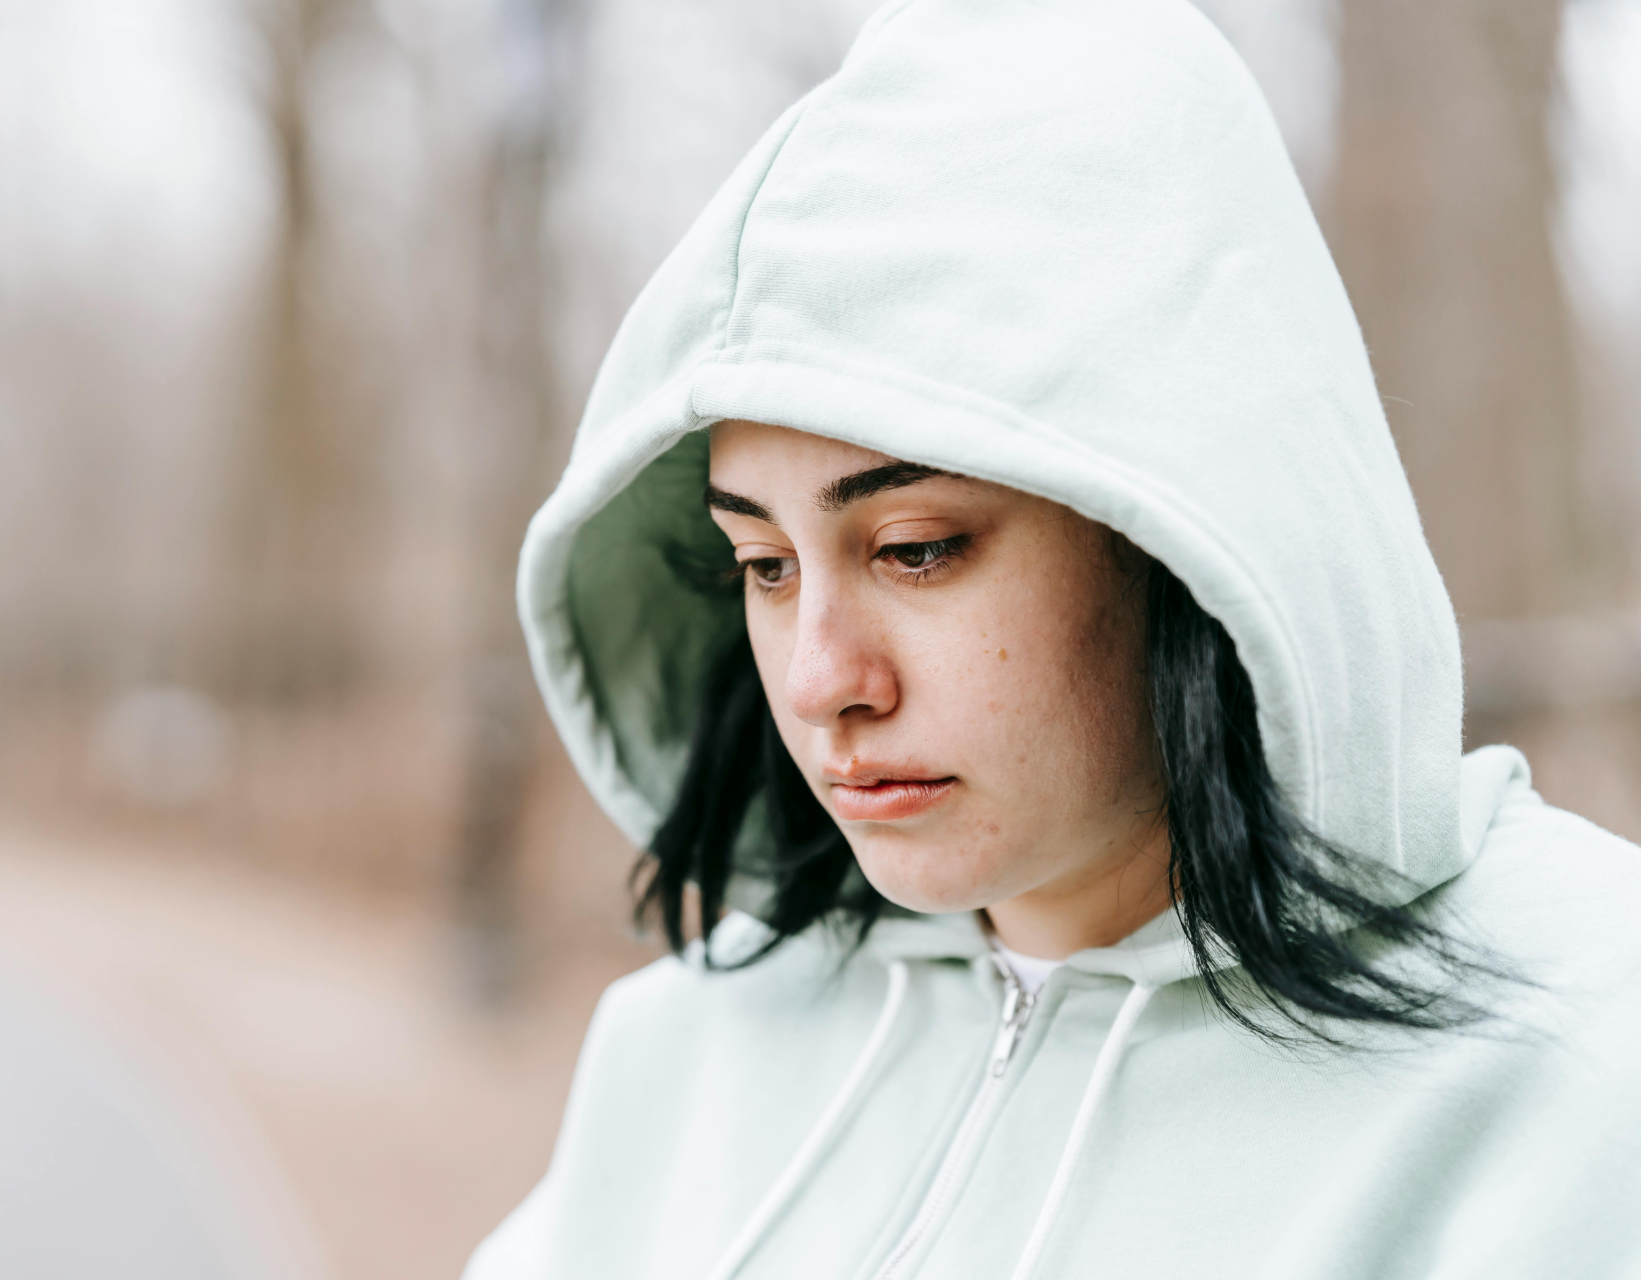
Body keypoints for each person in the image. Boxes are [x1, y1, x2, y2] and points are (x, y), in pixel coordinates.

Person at [469, 1, 1641, 1276]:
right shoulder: (691, 1041)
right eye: (764, 563)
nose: (819, 680)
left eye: (917, 547)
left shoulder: (1577, 1052)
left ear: (1180, 526)